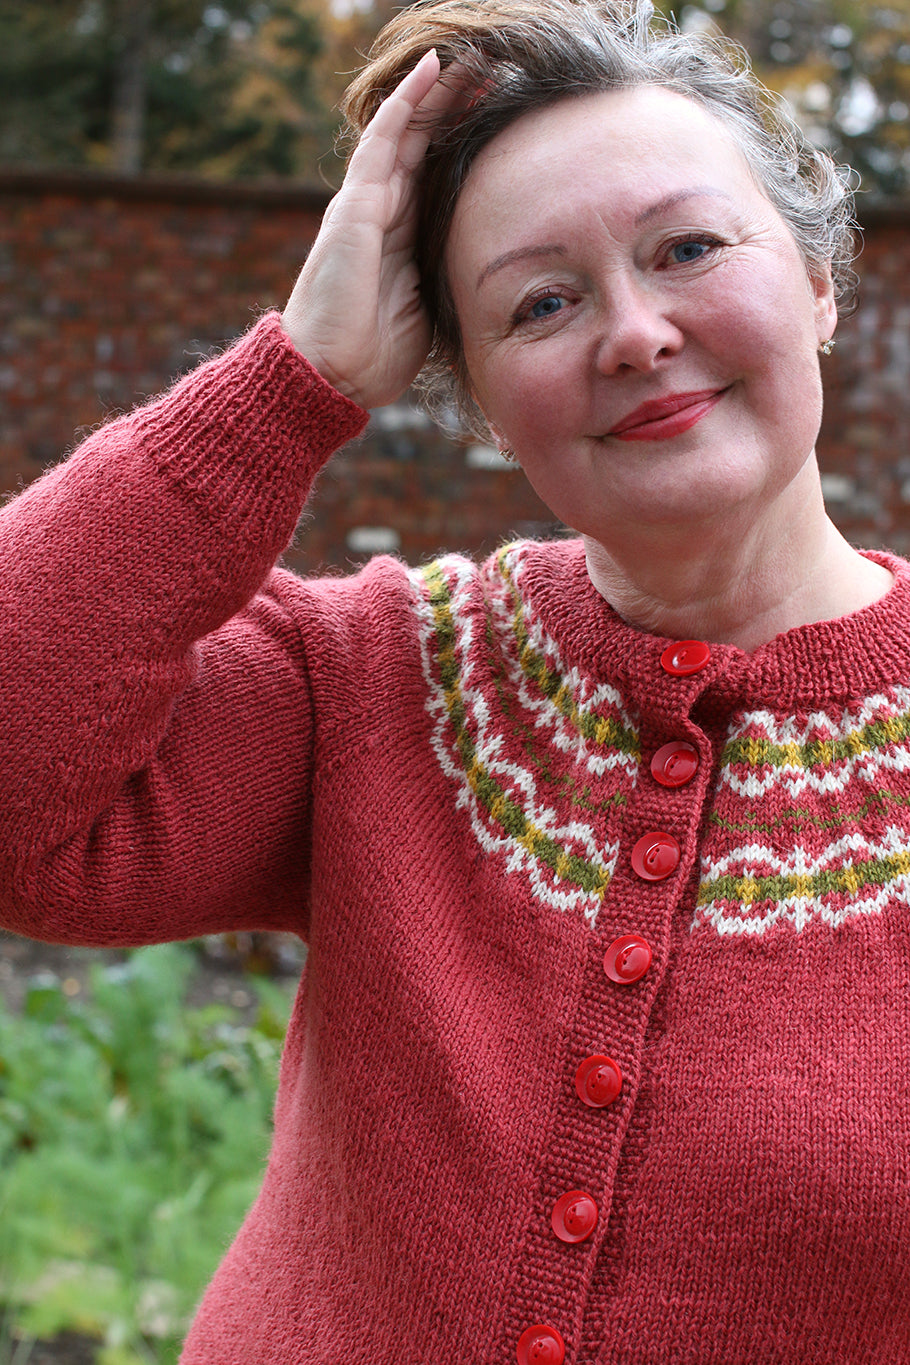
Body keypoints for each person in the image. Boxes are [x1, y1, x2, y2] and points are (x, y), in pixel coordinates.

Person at [2, 0, 908, 1360]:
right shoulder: (376, 679)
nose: (633, 333)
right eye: (539, 302)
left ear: (821, 282)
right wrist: (291, 382)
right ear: (481, 396)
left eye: (688, 248)